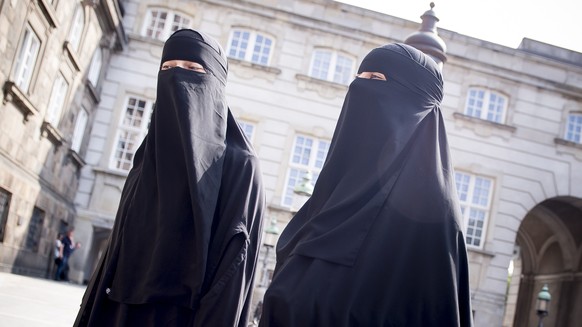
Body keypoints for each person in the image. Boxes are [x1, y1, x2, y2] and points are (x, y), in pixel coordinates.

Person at [260, 43, 473, 326]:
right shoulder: (330, 198)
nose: (360, 88)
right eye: (360, 78)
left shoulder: (433, 220)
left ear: (414, 101)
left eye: (377, 80)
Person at [74, 29, 265, 326]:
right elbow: (116, 248)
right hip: (119, 312)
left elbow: (234, 272)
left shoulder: (240, 166)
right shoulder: (146, 157)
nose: (177, 77)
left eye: (192, 69)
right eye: (168, 68)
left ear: (216, 82)